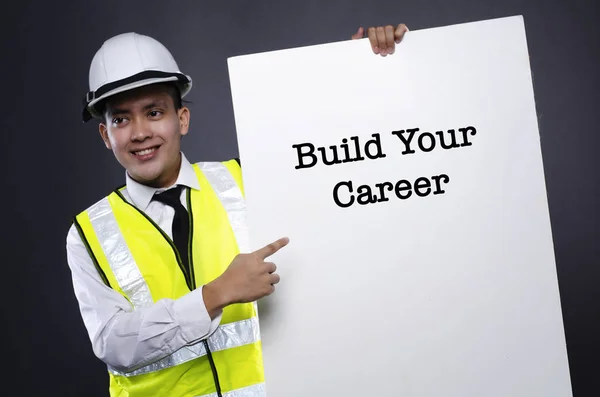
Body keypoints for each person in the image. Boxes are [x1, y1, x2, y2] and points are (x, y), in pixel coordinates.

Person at [66, 22, 409, 397]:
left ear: (182, 119)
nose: (139, 132)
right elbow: (113, 345)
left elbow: (336, 160)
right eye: (120, 118)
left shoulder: (246, 181)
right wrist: (213, 296)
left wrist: (356, 71)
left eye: (153, 112)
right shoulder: (88, 233)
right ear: (106, 136)